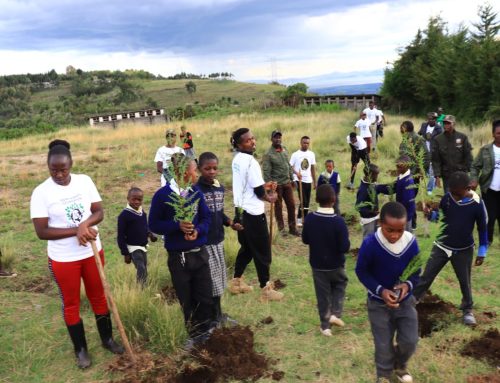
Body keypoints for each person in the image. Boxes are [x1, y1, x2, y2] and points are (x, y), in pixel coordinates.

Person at [30, 139, 124, 369]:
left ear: (70, 165)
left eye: (63, 169)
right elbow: (42, 232)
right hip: (64, 259)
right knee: (71, 303)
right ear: (48, 166)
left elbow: (99, 212)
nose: (59, 174)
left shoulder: (84, 181)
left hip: (92, 252)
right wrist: (77, 229)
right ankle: (80, 350)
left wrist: (86, 224)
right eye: (54, 170)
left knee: (98, 296)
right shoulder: (41, 192)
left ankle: (107, 339)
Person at [149, 153, 214, 345]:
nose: (197, 175)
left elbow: (206, 218)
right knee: (186, 299)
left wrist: (198, 231)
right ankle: (193, 335)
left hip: (199, 255)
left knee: (205, 296)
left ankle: (207, 333)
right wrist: (176, 226)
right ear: (181, 172)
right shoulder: (162, 196)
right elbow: (153, 224)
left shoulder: (196, 192)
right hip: (179, 259)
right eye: (194, 171)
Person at [355, 201, 420, 383]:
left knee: (410, 340)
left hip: (405, 302)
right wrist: (381, 291)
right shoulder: (370, 244)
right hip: (378, 303)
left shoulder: (410, 242)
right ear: (380, 223)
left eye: (400, 230)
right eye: (390, 230)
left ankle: (400, 365)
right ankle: (383, 376)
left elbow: (416, 271)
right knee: (383, 345)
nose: (395, 235)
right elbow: (361, 271)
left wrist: (407, 285)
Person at [414, 171, 488, 326]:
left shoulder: (477, 203)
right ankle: (412, 301)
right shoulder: (448, 198)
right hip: (441, 245)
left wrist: (482, 250)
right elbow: (441, 217)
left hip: (463, 249)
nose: (453, 196)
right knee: (427, 275)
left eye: (456, 193)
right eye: (451, 192)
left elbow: (482, 228)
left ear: (467, 188)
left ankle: (467, 309)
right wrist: (431, 215)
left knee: (464, 281)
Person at [230, 128, 284, 302]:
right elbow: (259, 191)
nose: (253, 142)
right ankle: (265, 289)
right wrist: (271, 197)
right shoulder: (250, 161)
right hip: (253, 213)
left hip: (240, 211)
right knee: (262, 251)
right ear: (239, 144)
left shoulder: (236, 159)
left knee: (247, 249)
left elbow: (249, 184)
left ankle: (236, 283)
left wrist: (265, 185)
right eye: (248, 140)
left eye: (253, 138)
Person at [195, 152, 241, 325]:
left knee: (220, 279)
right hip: (205, 243)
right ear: (199, 169)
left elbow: (218, 213)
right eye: (207, 169)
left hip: (218, 240)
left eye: (215, 168)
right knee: (211, 282)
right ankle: (212, 317)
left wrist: (230, 223)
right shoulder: (196, 190)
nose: (212, 172)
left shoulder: (219, 188)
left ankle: (218, 313)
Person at [302, 184, 350, 336]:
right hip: (336, 265)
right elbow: (344, 247)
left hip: (317, 265)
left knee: (322, 295)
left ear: (316, 200)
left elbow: (305, 240)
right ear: (334, 200)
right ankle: (335, 313)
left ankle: (325, 327)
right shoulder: (339, 222)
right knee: (340, 284)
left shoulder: (310, 219)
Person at [117, 187, 157, 286]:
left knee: (144, 267)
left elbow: (145, 226)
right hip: (133, 247)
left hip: (143, 245)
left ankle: (144, 286)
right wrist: (125, 253)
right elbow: (120, 236)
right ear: (128, 198)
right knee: (141, 267)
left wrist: (150, 234)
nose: (137, 202)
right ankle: (142, 288)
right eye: (134, 199)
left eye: (139, 199)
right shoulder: (124, 215)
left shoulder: (142, 212)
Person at [262, 130, 299, 236]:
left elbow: (289, 166)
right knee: (278, 207)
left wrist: (293, 179)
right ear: (271, 139)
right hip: (276, 186)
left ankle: (293, 228)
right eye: (275, 137)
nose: (278, 139)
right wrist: (269, 188)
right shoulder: (268, 154)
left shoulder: (285, 149)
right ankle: (281, 230)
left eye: (279, 137)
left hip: (287, 183)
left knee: (291, 205)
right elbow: (266, 172)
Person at [470, 120, 500, 245]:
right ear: (493, 134)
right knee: (490, 217)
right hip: (489, 189)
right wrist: (474, 179)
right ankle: (488, 241)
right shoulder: (485, 150)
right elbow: (475, 166)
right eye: (498, 133)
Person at [399, 120, 430, 229]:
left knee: (409, 198)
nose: (400, 129)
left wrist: (423, 170)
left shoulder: (418, 139)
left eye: (402, 127)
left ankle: (412, 223)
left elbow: (425, 155)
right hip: (404, 173)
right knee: (406, 198)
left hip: (413, 174)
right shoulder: (404, 139)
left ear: (406, 127)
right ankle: (409, 221)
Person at [432, 115, 473, 193]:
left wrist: (472, 175)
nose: (446, 125)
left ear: (454, 124)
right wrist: (437, 176)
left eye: (448, 123)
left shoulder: (462, 137)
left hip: (461, 174)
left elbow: (468, 156)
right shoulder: (438, 139)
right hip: (447, 175)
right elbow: (436, 159)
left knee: (463, 196)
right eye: (444, 123)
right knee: (449, 197)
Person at [290, 136, 317, 227]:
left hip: (308, 180)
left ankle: (304, 218)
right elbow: (290, 167)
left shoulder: (311, 154)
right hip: (298, 180)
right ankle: (298, 219)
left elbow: (312, 168)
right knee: (303, 200)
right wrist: (296, 173)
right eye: (304, 143)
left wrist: (315, 182)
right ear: (301, 143)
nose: (306, 145)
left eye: (307, 143)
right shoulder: (295, 154)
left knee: (307, 201)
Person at [355, 164, 388, 238]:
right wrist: (371, 212)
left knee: (376, 238)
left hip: (375, 217)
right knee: (368, 240)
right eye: (376, 175)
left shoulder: (372, 185)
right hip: (368, 220)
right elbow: (358, 207)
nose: (377, 177)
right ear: (370, 175)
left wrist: (394, 186)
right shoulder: (363, 190)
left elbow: (381, 188)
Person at [385, 156, 417, 232]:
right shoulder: (401, 176)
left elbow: (407, 202)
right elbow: (394, 186)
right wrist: (379, 188)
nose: (397, 169)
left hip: (405, 215)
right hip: (401, 213)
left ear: (407, 167)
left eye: (399, 167)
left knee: (405, 235)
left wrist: (397, 212)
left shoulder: (408, 181)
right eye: (397, 166)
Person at [418, 112, 443, 195]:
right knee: (422, 169)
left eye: (431, 119)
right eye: (428, 119)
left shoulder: (439, 128)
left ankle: (429, 189)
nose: (429, 120)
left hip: (434, 151)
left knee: (432, 171)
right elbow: (420, 133)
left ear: (435, 119)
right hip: (424, 151)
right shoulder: (424, 125)